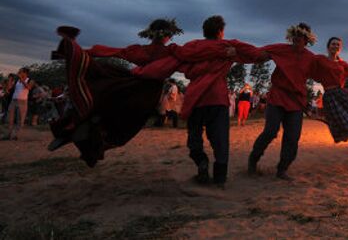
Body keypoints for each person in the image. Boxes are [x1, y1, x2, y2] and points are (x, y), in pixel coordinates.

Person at [47, 19, 185, 167]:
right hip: (149, 94)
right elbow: (189, 59)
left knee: (104, 105)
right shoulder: (171, 52)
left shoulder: (139, 50)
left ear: (151, 34)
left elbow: (112, 51)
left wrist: (83, 53)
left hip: (129, 86)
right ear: (168, 36)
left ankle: (73, 128)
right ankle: (94, 143)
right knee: (125, 130)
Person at [150, 15, 267, 187]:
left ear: (204, 32)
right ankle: (219, 180)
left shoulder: (193, 47)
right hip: (217, 99)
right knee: (220, 142)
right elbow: (255, 54)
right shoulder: (227, 46)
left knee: (194, 139)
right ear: (220, 32)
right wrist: (270, 54)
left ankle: (201, 162)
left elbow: (177, 53)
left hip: (195, 98)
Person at [248, 23, 317, 181]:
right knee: (270, 131)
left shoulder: (311, 58)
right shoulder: (281, 49)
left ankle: (282, 169)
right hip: (277, 97)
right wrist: (238, 53)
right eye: (295, 37)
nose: (297, 40)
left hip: (296, 102)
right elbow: (257, 52)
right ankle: (253, 160)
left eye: (300, 38)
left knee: (292, 137)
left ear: (306, 40)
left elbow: (327, 71)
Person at [3, 68, 35, 140]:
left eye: (20, 72)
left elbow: (29, 87)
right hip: (14, 101)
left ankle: (15, 135)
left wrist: (22, 79)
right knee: (10, 119)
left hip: (22, 102)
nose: (18, 73)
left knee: (20, 120)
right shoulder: (17, 80)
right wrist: (10, 81)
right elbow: (9, 89)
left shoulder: (30, 80)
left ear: (25, 73)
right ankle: (9, 134)